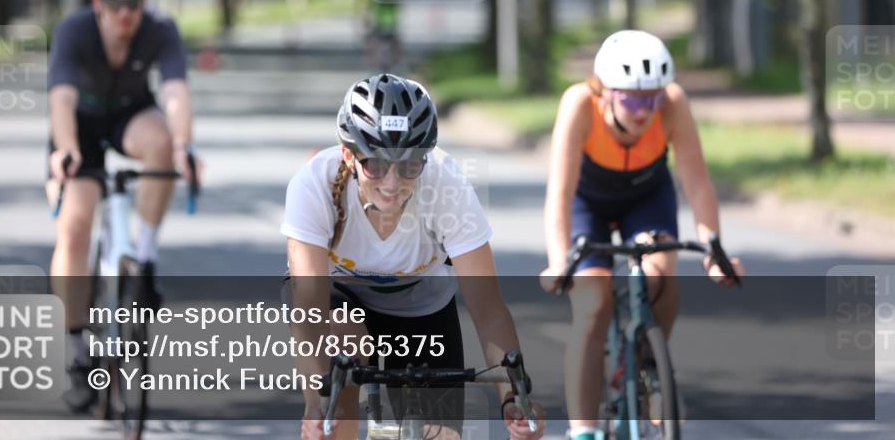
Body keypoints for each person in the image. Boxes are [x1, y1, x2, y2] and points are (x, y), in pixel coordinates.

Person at [283, 73, 545, 440]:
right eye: (376, 164)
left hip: (422, 306)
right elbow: (309, 307)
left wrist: (512, 398)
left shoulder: (447, 186)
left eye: (409, 165)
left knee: (441, 435)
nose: (392, 182)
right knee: (337, 389)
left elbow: (488, 308)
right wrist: (316, 403)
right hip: (340, 302)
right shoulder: (314, 185)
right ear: (349, 154)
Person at [539, 30, 744, 440]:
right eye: (632, 98)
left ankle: (651, 364)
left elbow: (697, 183)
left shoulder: (673, 105)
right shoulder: (580, 103)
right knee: (592, 305)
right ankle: (583, 429)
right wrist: (559, 261)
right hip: (588, 202)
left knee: (659, 273)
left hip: (646, 197)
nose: (643, 110)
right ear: (605, 91)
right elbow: (559, 192)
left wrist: (713, 251)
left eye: (652, 98)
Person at [46, 0, 202, 411]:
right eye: (116, 5)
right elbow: (60, 97)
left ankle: (144, 263)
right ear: (98, 3)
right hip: (80, 127)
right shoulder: (74, 31)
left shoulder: (160, 30)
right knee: (75, 224)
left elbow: (175, 93)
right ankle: (77, 355)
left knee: (162, 147)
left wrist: (183, 146)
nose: (127, 14)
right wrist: (67, 150)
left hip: (130, 115)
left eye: (135, 3)